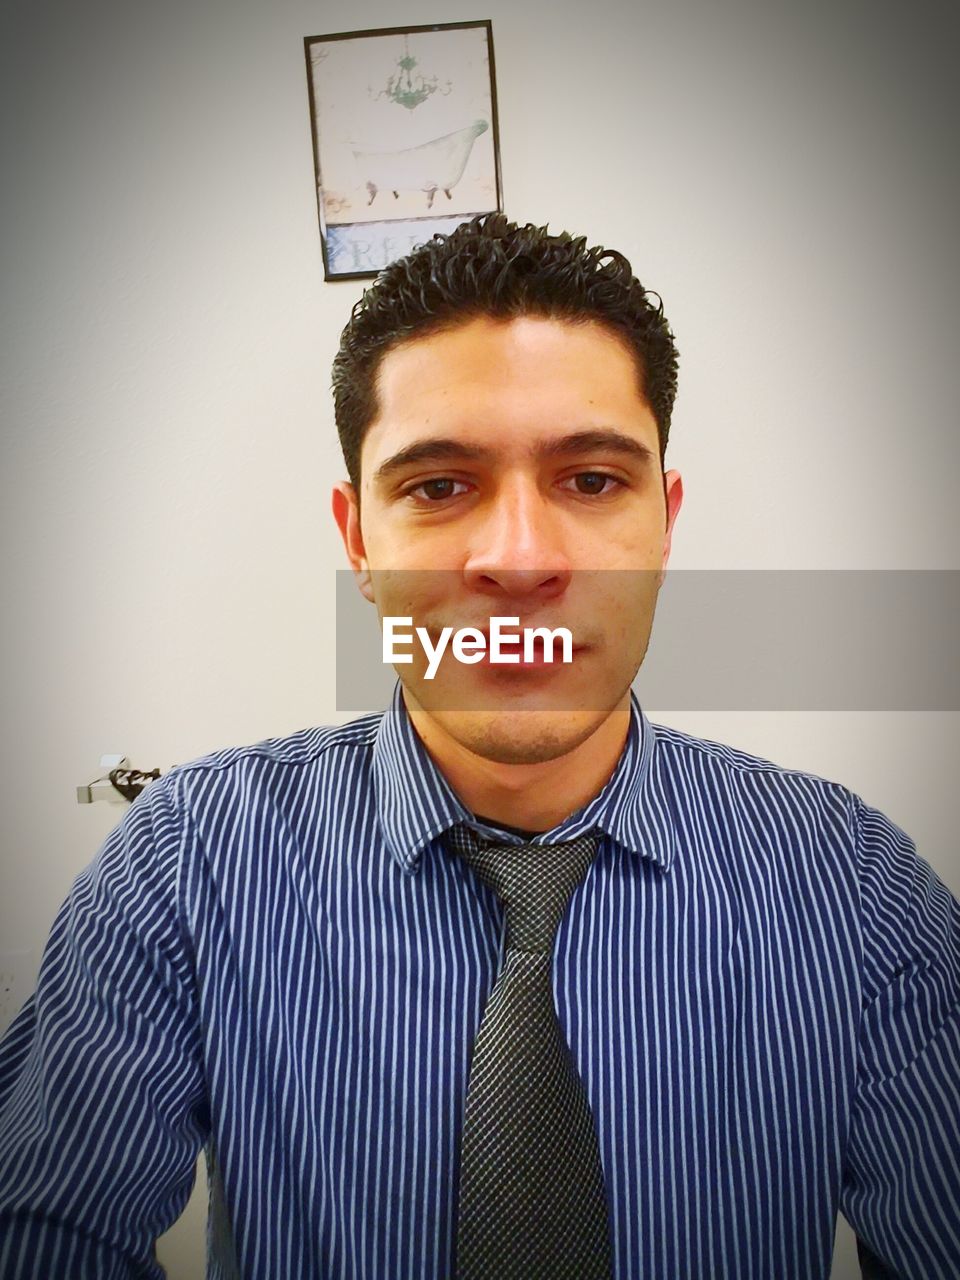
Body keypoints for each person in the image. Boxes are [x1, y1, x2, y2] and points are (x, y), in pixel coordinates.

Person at [0, 214, 958, 1280]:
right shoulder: (184, 866)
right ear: (359, 541)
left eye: (591, 480)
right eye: (440, 486)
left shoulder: (856, 889)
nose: (518, 558)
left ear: (666, 525)